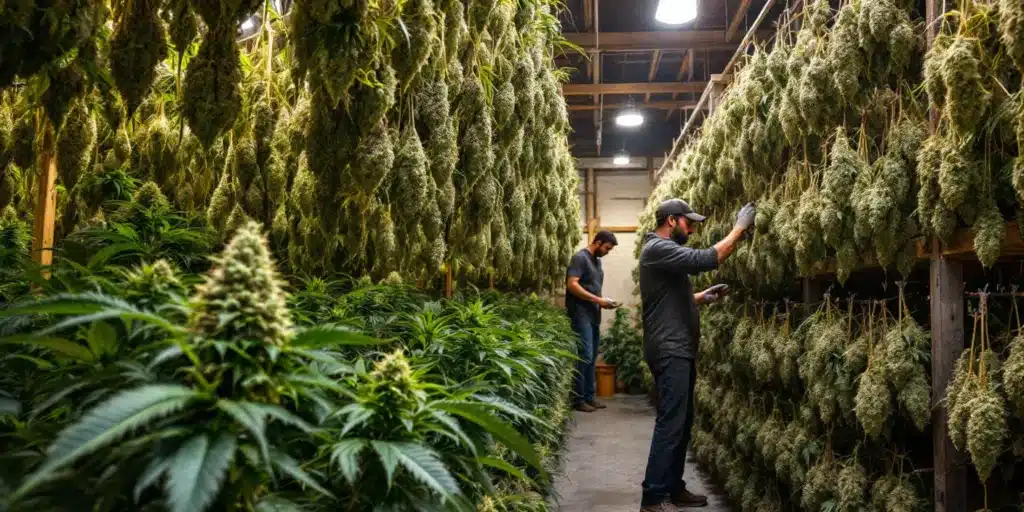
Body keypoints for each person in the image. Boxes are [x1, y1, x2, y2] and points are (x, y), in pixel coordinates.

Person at [637, 199, 755, 512]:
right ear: (672, 221)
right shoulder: (657, 248)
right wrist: (739, 228)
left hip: (678, 347)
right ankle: (652, 498)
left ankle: (674, 488)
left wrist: (701, 297)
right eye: (689, 222)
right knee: (670, 422)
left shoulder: (660, 252)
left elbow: (669, 296)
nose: (692, 228)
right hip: (669, 348)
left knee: (682, 420)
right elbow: (707, 258)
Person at [565, 230, 619, 413]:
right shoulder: (580, 258)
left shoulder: (597, 262)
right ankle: (578, 399)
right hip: (580, 314)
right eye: (607, 248)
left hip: (593, 314)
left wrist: (604, 302)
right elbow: (572, 284)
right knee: (585, 355)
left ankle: (588, 396)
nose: (607, 252)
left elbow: (593, 288)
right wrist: (597, 300)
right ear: (598, 242)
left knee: (592, 356)